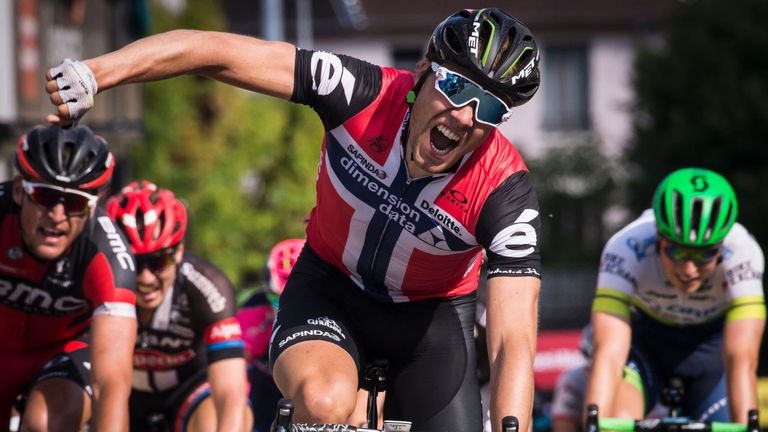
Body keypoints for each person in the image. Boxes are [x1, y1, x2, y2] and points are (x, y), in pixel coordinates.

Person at [45, 7, 543, 431]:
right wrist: (98, 72)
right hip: (331, 288)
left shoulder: (504, 189)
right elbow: (215, 51)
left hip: (430, 323)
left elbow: (510, 341)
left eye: (491, 107)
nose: (463, 115)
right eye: (455, 86)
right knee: (325, 401)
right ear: (423, 72)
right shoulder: (361, 94)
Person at [585, 168, 765, 423]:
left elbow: (742, 358)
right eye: (677, 253)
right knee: (619, 419)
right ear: (659, 238)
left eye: (704, 255)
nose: (689, 270)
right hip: (647, 345)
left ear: (721, 247)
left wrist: (747, 425)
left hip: (710, 353)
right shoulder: (625, 247)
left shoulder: (743, 252)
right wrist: (595, 423)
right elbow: (608, 354)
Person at [0, 125, 137, 431]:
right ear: (20, 191)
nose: (58, 215)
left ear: (90, 208)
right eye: (46, 196)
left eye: (74, 202)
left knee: (45, 421)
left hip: (66, 353)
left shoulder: (108, 254)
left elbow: (111, 384)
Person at [105, 181, 252, 432]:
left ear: (179, 251)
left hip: (189, 391)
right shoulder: (101, 282)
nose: (146, 278)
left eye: (159, 261)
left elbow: (231, 395)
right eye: (133, 262)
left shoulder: (207, 286)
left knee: (221, 420)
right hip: (123, 392)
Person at [236, 238, 305, 432]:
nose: (283, 307)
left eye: (293, 298)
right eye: (275, 298)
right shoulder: (253, 310)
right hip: (261, 401)